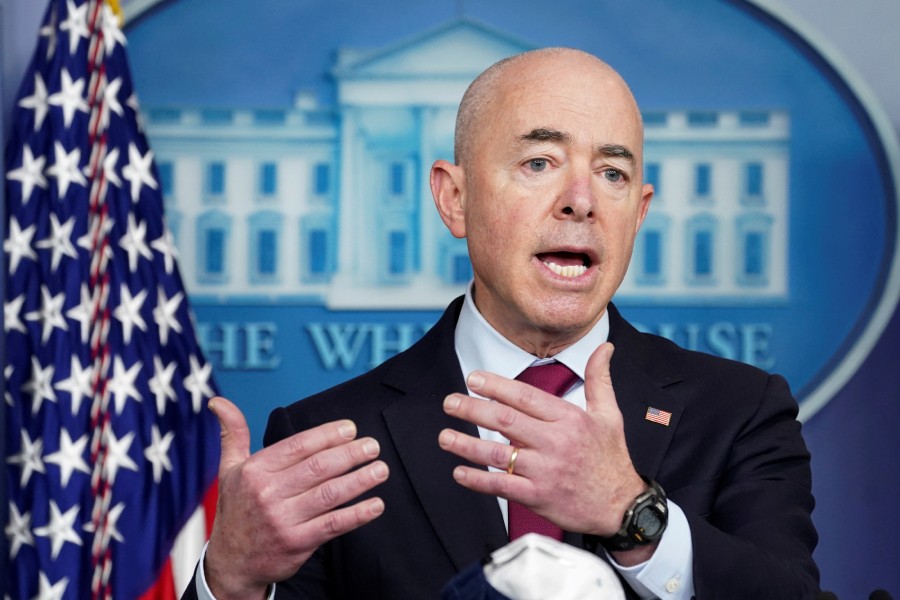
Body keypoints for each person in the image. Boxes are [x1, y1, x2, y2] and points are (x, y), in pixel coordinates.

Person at [184, 48, 820, 599]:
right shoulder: (328, 437)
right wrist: (232, 580)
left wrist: (630, 513)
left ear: (640, 211)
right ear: (454, 198)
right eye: (540, 162)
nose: (581, 199)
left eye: (613, 173)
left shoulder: (739, 411)